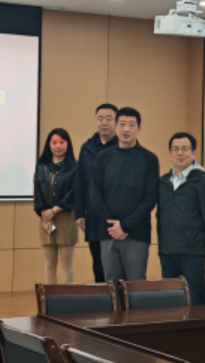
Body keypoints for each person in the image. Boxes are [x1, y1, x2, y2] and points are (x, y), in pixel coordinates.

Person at [90, 108, 160, 283]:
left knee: (136, 287)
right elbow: (95, 194)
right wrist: (112, 226)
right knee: (112, 286)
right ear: (115, 127)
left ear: (139, 129)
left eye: (131, 125)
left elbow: (150, 199)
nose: (126, 129)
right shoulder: (102, 157)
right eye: (122, 124)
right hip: (108, 233)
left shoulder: (149, 159)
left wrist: (125, 225)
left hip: (137, 234)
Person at [157, 133, 205, 305]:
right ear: (170, 153)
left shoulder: (203, 182)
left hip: (193, 253)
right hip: (167, 252)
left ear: (194, 153)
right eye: (175, 149)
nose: (180, 153)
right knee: (170, 301)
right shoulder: (163, 182)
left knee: (195, 301)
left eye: (185, 149)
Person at [74, 104, 119, 283]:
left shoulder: (122, 147)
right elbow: (80, 182)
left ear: (116, 122)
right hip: (92, 214)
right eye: (100, 118)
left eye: (109, 118)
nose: (104, 122)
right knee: (98, 262)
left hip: (114, 214)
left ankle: (118, 297)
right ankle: (103, 296)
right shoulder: (87, 148)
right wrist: (80, 213)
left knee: (115, 263)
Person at [34, 129, 79, 284]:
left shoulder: (75, 166)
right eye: (54, 142)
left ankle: (66, 296)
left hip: (65, 218)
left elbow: (74, 192)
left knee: (66, 263)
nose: (58, 146)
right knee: (49, 262)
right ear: (49, 144)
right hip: (47, 220)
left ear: (68, 144)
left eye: (62, 142)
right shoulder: (41, 166)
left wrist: (54, 210)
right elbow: (38, 193)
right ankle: (50, 296)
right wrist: (44, 214)